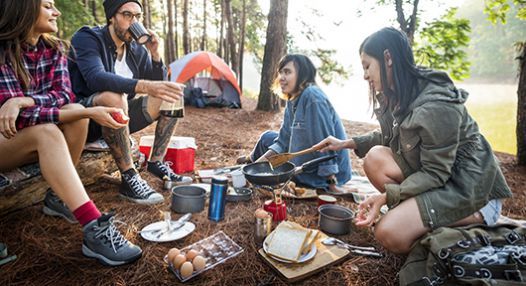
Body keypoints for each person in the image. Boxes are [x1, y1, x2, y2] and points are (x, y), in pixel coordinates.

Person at [313, 27, 512, 254]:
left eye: (367, 65)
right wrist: (345, 143)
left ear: (388, 58)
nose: (365, 75)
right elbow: (391, 139)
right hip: (442, 182)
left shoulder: (435, 105)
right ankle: (418, 219)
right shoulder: (402, 94)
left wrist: (388, 196)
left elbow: (436, 173)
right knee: (375, 157)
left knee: (387, 232)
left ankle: (467, 221)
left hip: (470, 191)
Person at [0, 0, 142, 265]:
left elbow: (64, 95)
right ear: (24, 9)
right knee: (50, 129)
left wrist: (24, 100)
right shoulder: (3, 52)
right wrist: (85, 112)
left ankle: (57, 198)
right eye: (48, 6)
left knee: (75, 111)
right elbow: (18, 121)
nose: (57, 12)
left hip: (34, 134)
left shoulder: (55, 49)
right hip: (6, 142)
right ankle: (93, 227)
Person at [68, 0, 192, 206]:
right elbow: (95, 78)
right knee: (113, 96)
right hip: (85, 119)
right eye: (127, 15)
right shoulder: (88, 37)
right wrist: (144, 86)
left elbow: (157, 84)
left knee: (172, 94)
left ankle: (156, 162)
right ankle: (129, 177)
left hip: (118, 120)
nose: (134, 21)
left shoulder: (136, 50)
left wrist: (155, 54)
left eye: (138, 17)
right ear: (112, 17)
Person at [237, 54, 352, 192]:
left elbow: (325, 143)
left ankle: (326, 180)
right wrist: (253, 170)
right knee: (267, 137)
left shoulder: (312, 97)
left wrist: (332, 183)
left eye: (287, 72)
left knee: (278, 168)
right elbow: (282, 142)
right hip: (302, 158)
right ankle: (251, 160)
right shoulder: (292, 100)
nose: (281, 78)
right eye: (280, 73)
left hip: (323, 173)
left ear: (302, 75)